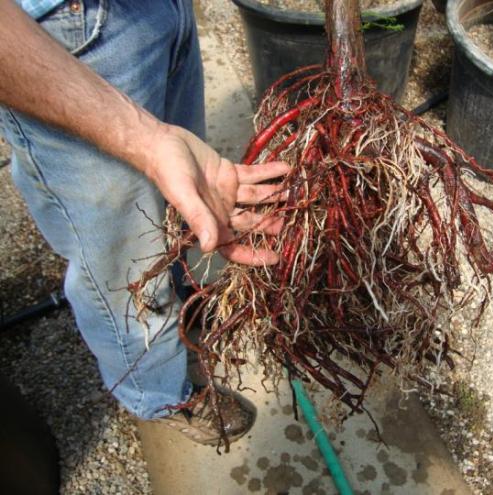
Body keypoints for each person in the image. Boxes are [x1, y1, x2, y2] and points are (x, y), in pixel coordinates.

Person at [0, 0, 288, 445]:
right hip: (57, 35)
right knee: (121, 259)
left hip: (156, 10)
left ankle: (179, 303)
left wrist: (155, 143)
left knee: (181, 194)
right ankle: (158, 394)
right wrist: (146, 140)